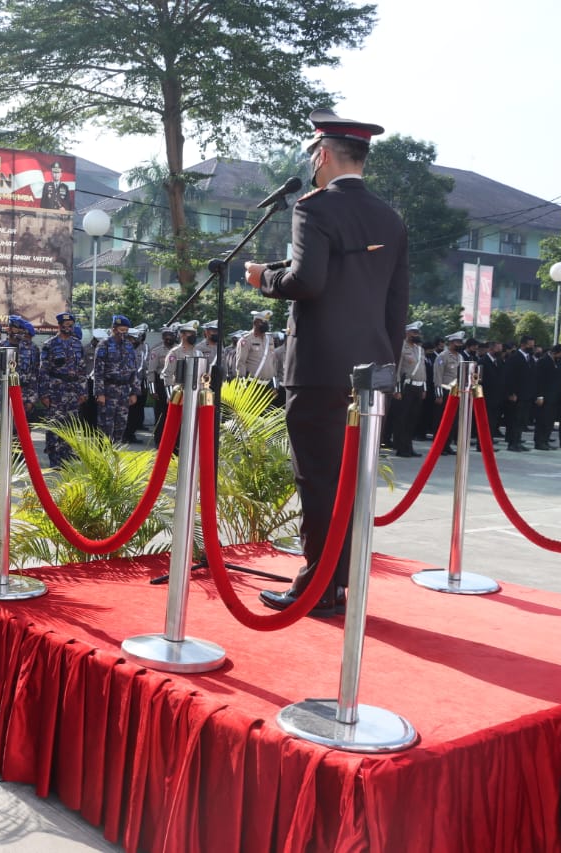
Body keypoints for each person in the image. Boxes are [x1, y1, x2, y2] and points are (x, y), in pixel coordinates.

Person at [244, 107, 408, 618]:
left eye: (314, 153)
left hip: (317, 368)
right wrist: (388, 369)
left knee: (317, 476)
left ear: (325, 153)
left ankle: (317, 588)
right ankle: (341, 584)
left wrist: (261, 278)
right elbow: (395, 306)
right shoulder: (390, 216)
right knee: (350, 479)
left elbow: (308, 283)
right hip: (369, 373)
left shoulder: (313, 208)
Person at [38, 311, 88, 466]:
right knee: (54, 425)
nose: (69, 328)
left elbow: (82, 370)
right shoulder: (50, 344)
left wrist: (83, 391)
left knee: (70, 425)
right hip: (56, 391)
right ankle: (54, 458)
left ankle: (66, 456)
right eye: (66, 326)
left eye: (71, 326)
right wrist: (44, 394)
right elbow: (43, 370)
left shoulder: (77, 344)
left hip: (73, 391)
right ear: (59, 326)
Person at [92, 315, 141, 444]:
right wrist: (99, 393)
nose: (123, 333)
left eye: (126, 330)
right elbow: (98, 371)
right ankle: (102, 457)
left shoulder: (129, 346)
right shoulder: (104, 345)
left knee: (121, 426)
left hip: (124, 391)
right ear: (113, 329)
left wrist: (134, 392)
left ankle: (116, 456)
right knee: (105, 427)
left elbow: (133, 370)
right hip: (108, 391)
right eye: (121, 329)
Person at [392, 321, 426, 457]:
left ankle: (409, 447)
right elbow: (398, 369)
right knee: (402, 418)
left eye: (418, 332)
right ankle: (401, 447)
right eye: (414, 332)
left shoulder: (420, 349)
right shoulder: (402, 347)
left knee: (412, 419)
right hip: (406, 386)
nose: (417, 335)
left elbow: (423, 370)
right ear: (407, 333)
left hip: (418, 386)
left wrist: (424, 388)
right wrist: (397, 389)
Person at [502, 335, 537, 452]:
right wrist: (511, 393)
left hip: (526, 395)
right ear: (522, 345)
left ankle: (518, 441)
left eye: (533, 345)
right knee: (514, 420)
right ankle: (512, 443)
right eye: (529, 345)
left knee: (522, 420)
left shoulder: (530, 358)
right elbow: (509, 377)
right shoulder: (514, 358)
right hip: (516, 395)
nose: (532, 347)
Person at [433, 333, 465, 455]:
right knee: (442, 420)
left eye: (460, 342)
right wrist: (439, 394)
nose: (459, 345)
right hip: (445, 390)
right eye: (457, 342)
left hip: (456, 392)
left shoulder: (460, 357)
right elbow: (438, 375)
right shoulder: (443, 356)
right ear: (451, 343)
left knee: (453, 420)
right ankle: (439, 446)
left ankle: (447, 445)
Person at [147, 326, 176, 444]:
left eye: (171, 335)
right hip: (161, 385)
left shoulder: (180, 350)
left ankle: (173, 442)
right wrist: (152, 390)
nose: (168, 338)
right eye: (166, 336)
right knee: (161, 414)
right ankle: (159, 440)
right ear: (163, 337)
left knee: (174, 414)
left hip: (176, 384)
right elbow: (151, 371)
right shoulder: (156, 351)